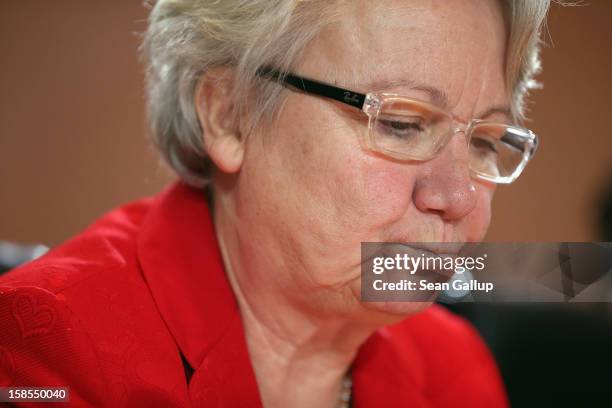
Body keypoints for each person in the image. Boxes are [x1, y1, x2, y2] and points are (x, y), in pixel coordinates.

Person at [0, 0, 549, 406]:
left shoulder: (454, 372)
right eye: (402, 124)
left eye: (484, 140)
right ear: (229, 114)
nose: (457, 197)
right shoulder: (48, 345)